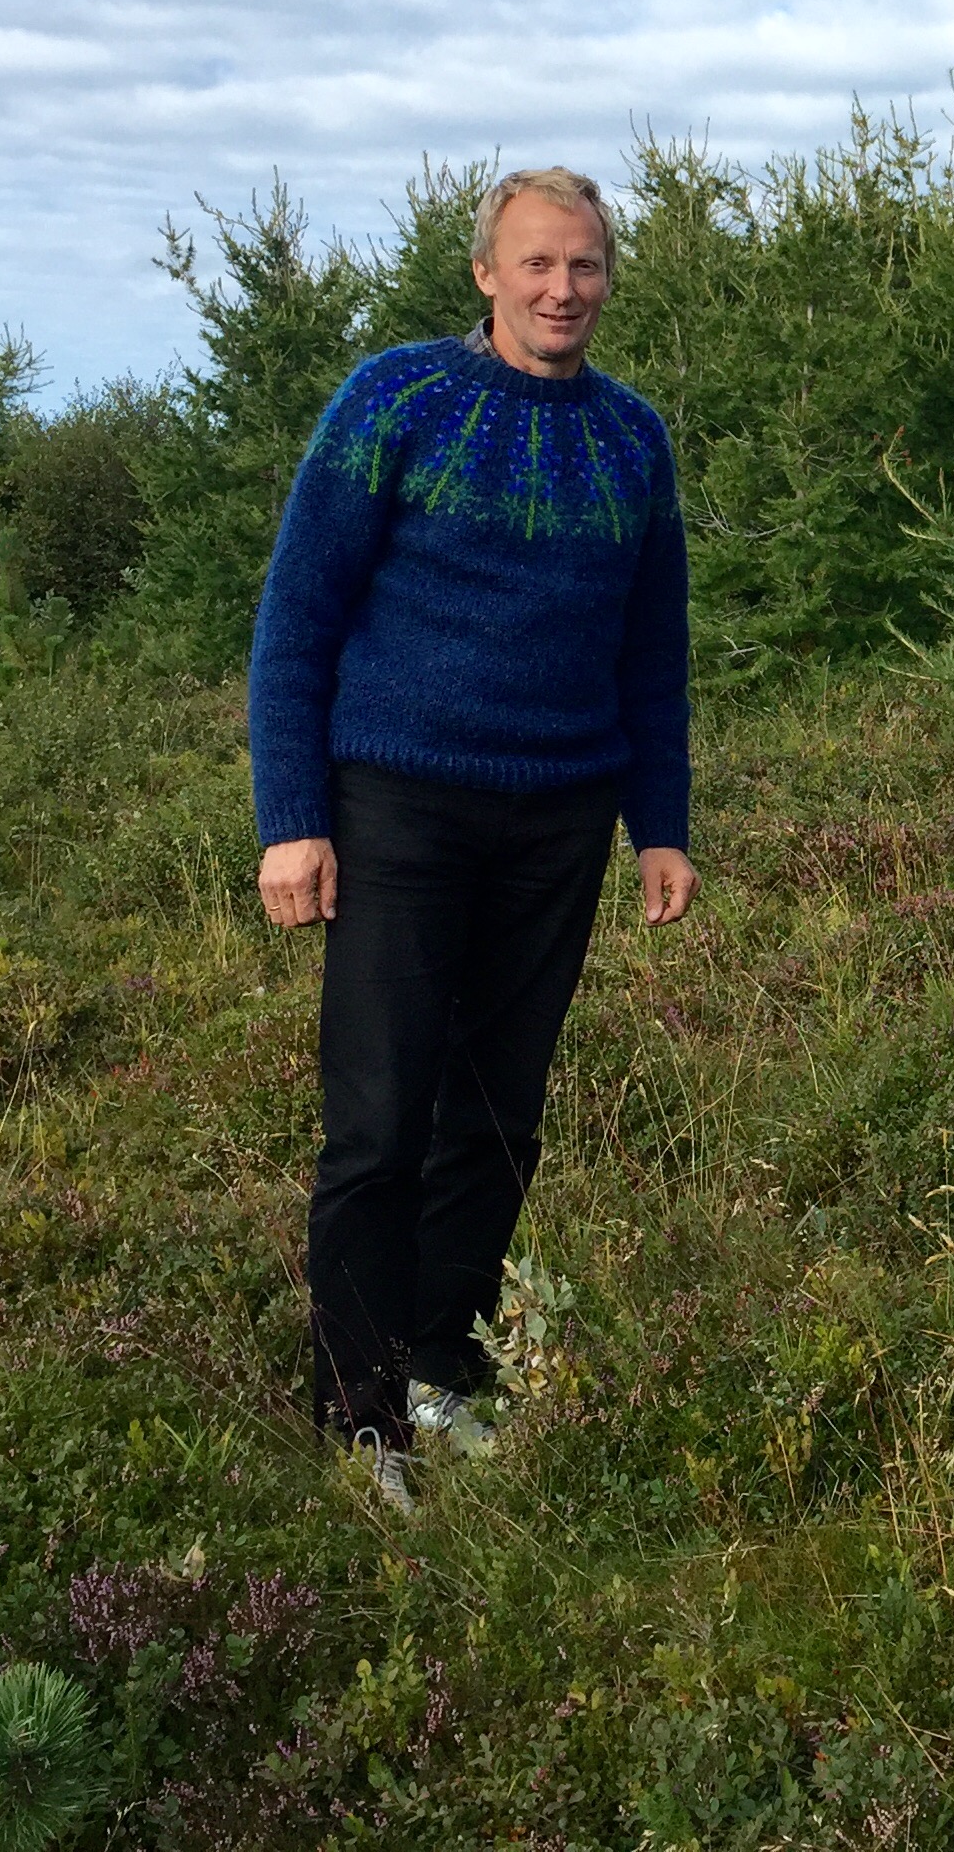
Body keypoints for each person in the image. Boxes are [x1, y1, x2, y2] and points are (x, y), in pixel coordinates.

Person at [245, 165, 696, 1509]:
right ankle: (359, 1414)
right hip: (399, 805)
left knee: (498, 1116)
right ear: (488, 274)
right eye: (538, 263)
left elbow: (652, 654)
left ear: (608, 279)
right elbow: (297, 619)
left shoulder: (633, 438)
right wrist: (293, 821)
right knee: (379, 1119)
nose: (564, 289)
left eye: (586, 265)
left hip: (559, 815)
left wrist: (660, 825)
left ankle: (441, 1366)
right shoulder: (397, 400)